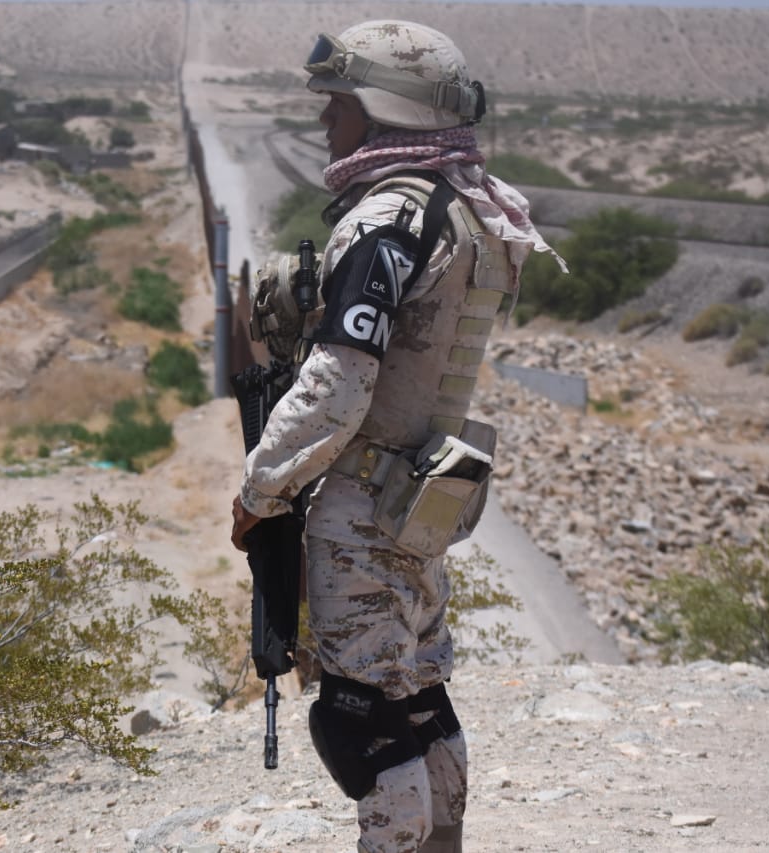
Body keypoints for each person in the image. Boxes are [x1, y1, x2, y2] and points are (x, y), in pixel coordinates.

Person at [231, 19, 563, 853]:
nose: (324, 122)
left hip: (363, 510)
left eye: (337, 104)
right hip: (424, 497)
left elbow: (340, 382)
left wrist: (260, 487)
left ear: (383, 110)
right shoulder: (472, 210)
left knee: (364, 725)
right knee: (419, 699)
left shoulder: (389, 219)